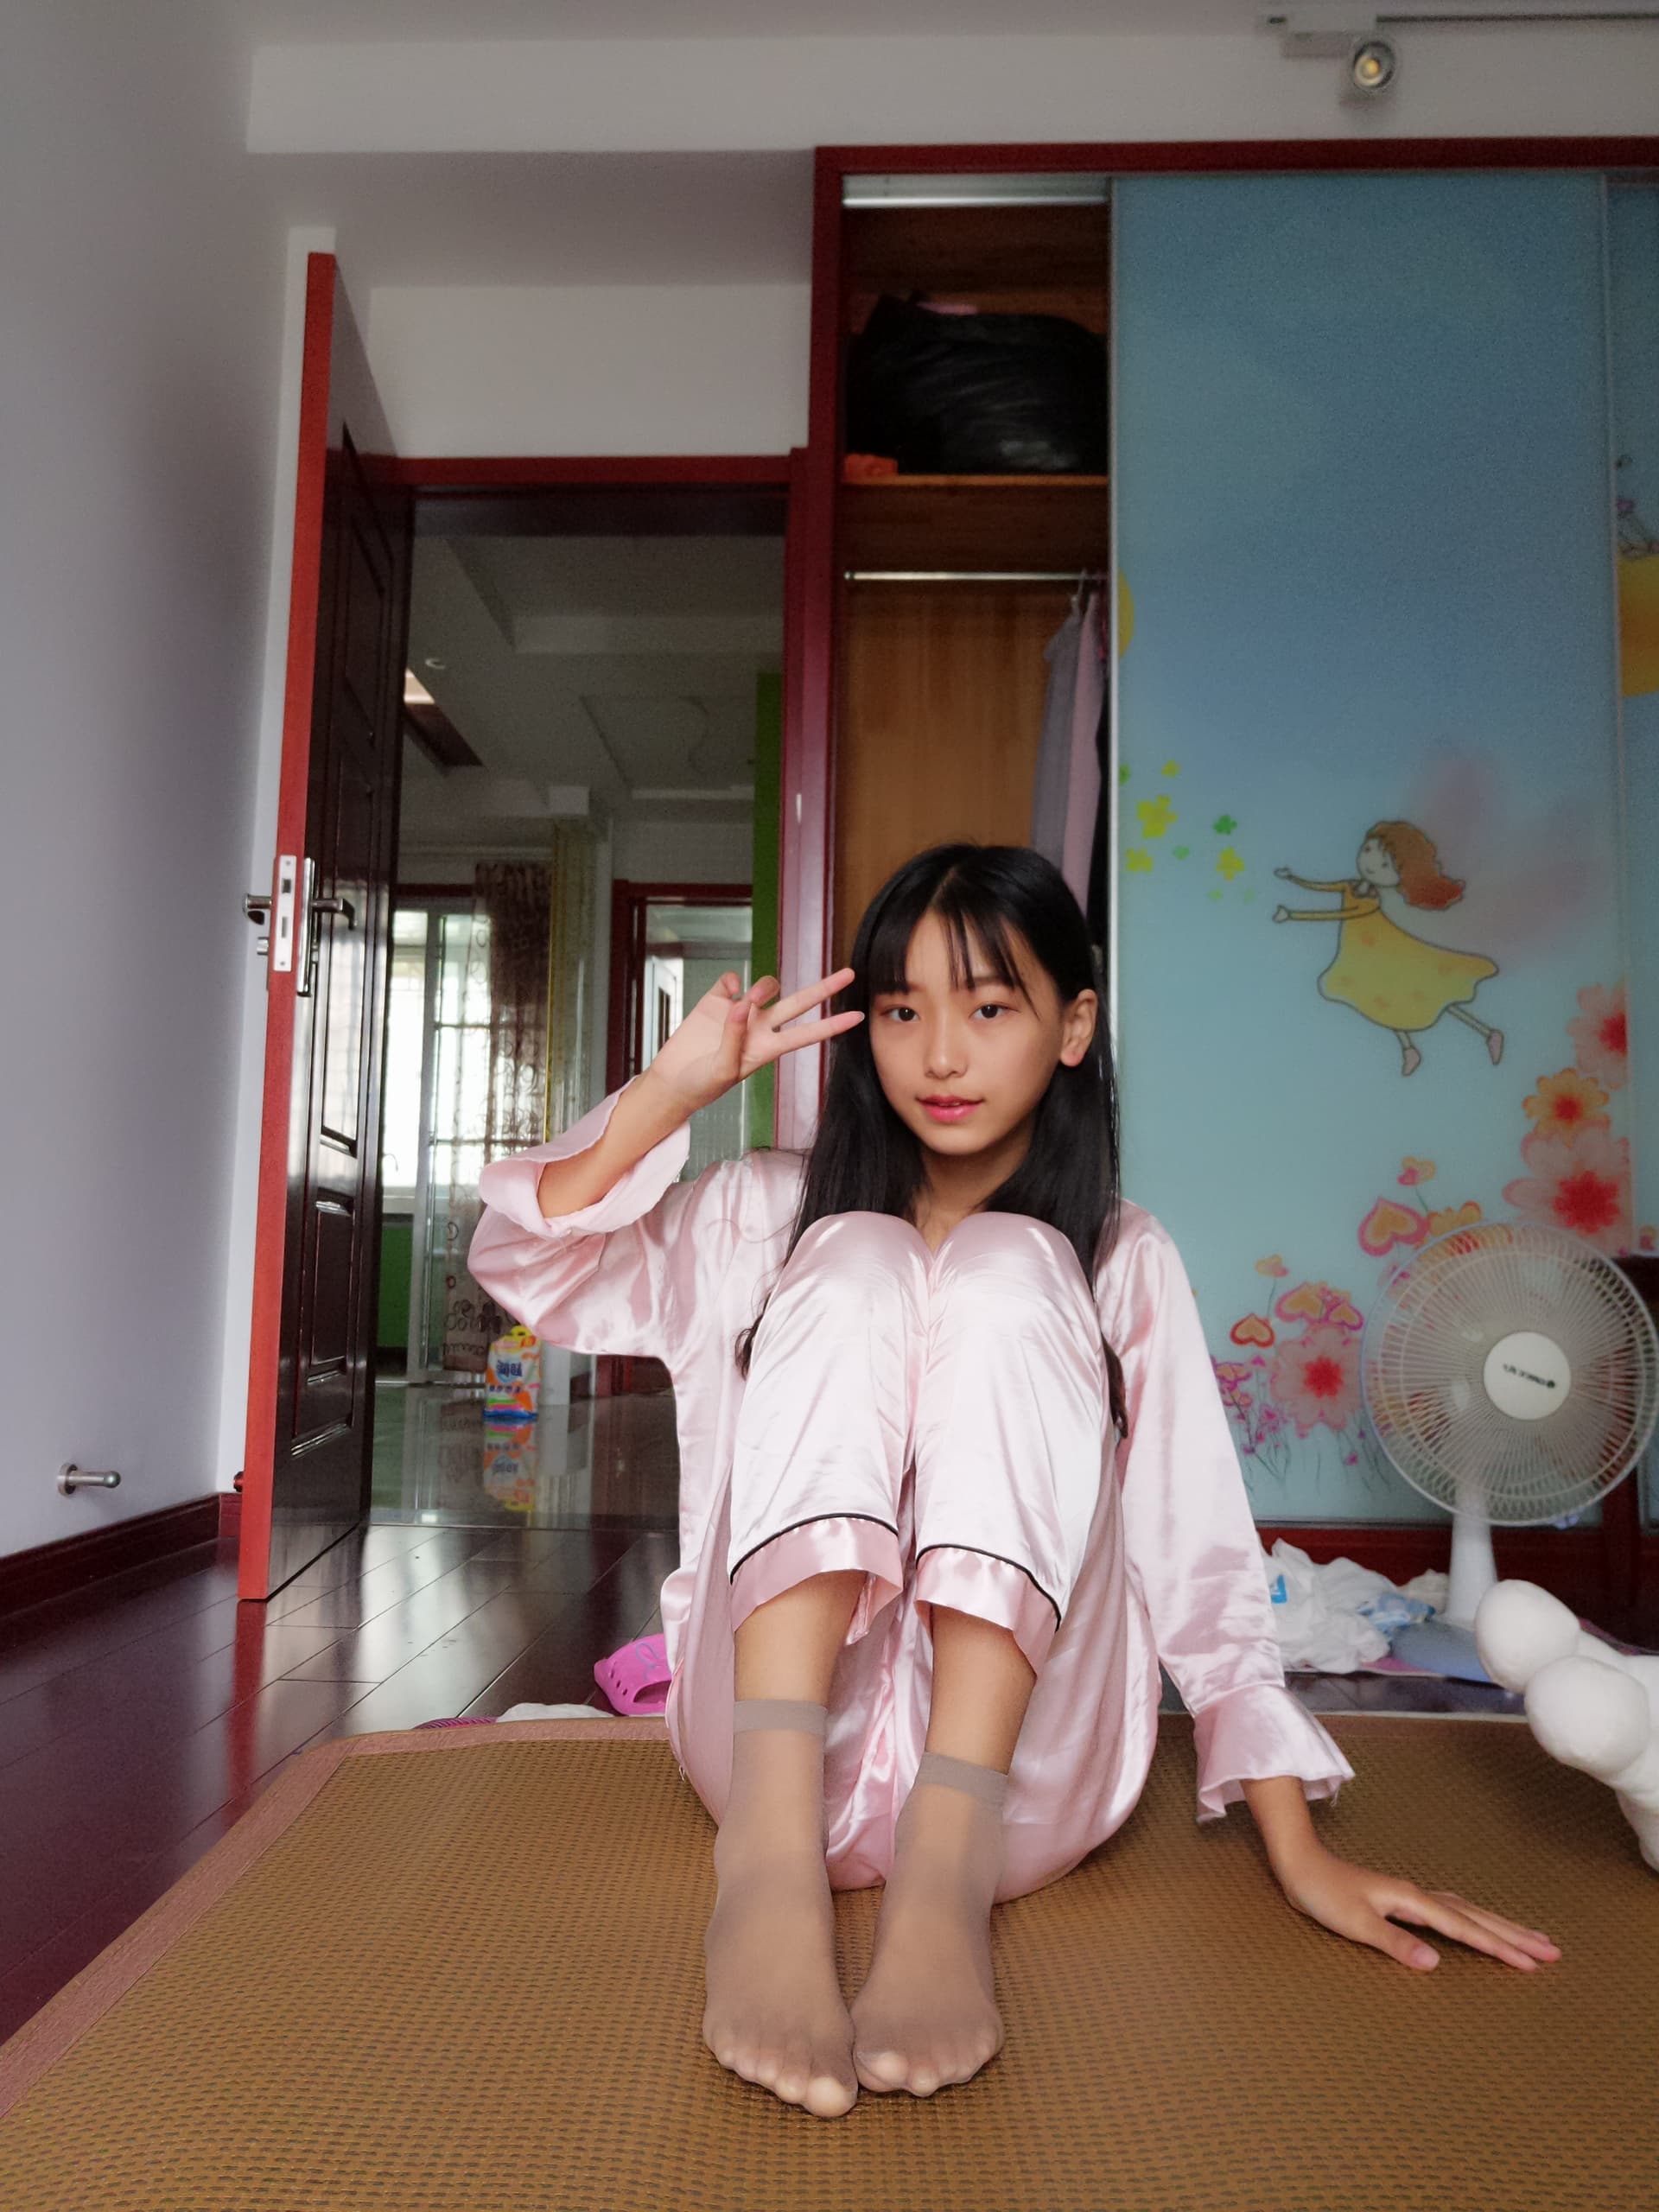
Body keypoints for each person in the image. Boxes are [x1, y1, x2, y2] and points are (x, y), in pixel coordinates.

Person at [469, 842, 1559, 2123]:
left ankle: (944, 1872)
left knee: (1009, 1266)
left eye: (989, 1009)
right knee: (857, 1254)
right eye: (902, 1011)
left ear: (1073, 1026)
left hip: (1022, 1802)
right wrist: (673, 1090)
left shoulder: (1120, 1255)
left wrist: (1300, 1849)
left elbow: (1198, 1553)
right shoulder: (760, 1214)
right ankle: (764, 1866)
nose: (941, 1055)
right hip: (760, 1756)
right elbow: (528, 1267)